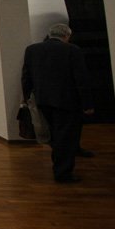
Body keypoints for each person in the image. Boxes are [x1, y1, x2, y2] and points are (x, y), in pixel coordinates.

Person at [22, 23, 94, 183]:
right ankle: (62, 172)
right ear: (67, 36)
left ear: (50, 34)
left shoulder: (32, 50)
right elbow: (81, 79)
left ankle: (65, 159)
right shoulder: (72, 50)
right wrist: (87, 104)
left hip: (43, 99)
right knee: (65, 136)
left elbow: (26, 76)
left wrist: (26, 97)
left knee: (56, 133)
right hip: (67, 101)